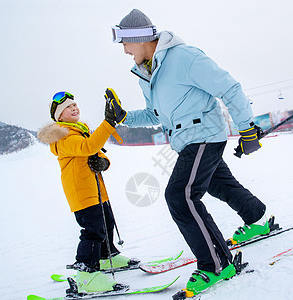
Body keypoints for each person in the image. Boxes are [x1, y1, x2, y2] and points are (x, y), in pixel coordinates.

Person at [108, 9, 271, 295]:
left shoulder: (184, 57)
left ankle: (216, 265)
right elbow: (153, 114)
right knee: (218, 185)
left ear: (140, 38)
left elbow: (229, 88)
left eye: (125, 42)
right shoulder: (146, 74)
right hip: (188, 142)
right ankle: (256, 216)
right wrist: (123, 117)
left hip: (204, 136)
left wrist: (247, 128)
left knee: (180, 195)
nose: (123, 50)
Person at [37, 91, 133, 293]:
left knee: (106, 222)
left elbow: (95, 151)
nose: (74, 108)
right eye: (67, 108)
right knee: (93, 230)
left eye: (74, 105)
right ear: (59, 117)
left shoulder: (80, 131)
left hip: (96, 190)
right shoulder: (63, 137)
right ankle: (87, 275)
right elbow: (89, 146)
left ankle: (107, 257)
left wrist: (104, 162)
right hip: (82, 193)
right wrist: (108, 123)